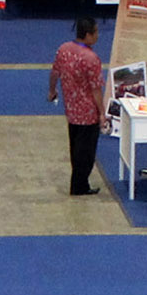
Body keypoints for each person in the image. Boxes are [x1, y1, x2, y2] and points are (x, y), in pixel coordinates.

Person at [47, 16, 104, 196]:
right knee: (86, 152)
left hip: (71, 109)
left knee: (75, 146)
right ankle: (80, 185)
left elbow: (55, 72)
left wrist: (52, 90)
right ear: (87, 35)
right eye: (95, 32)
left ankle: (78, 182)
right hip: (87, 113)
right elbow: (96, 89)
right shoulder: (91, 58)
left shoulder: (64, 49)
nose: (98, 35)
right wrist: (102, 113)